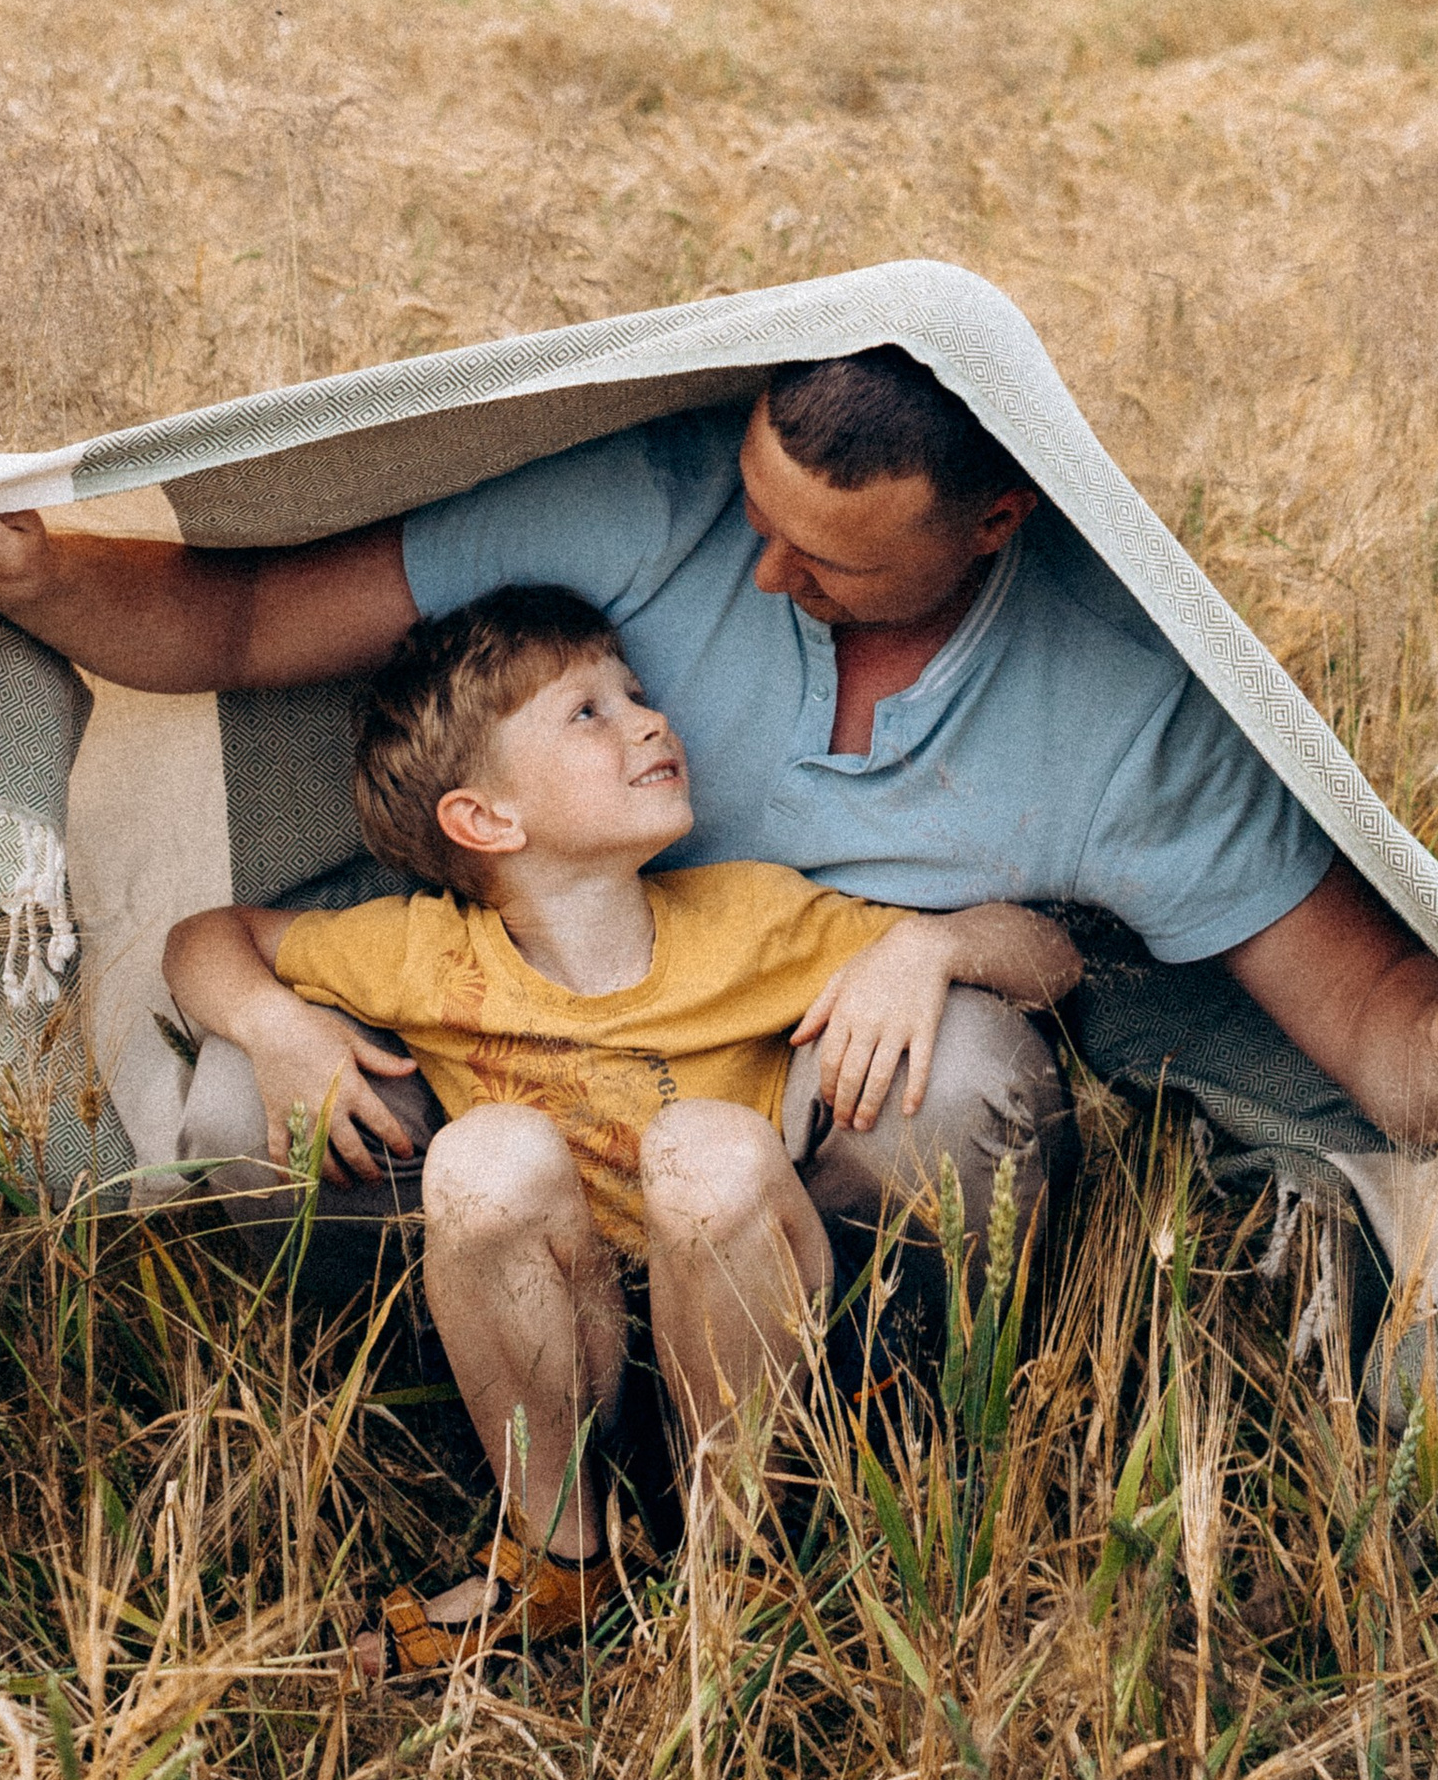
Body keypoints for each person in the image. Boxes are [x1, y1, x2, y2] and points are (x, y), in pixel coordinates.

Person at [0, 345, 1438, 1263]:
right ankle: (492, 1424)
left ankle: (827, 1438)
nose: (756, 569)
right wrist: (35, 570)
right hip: (525, 1098)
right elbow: (236, 626)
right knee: (242, 1098)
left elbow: (1365, 1016)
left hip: (800, 1141)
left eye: (830, 558)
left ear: (1000, 517)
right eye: (754, 502)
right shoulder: (641, 506)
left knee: (964, 1078)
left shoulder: (1121, 711)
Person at [162, 581, 1079, 1668]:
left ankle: (736, 1566)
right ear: (483, 819)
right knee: (482, 1157)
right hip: (555, 1361)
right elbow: (204, 939)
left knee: (708, 1149)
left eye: (636, 694)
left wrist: (929, 948)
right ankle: (562, 1559)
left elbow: (1048, 959)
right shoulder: (422, 950)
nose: (649, 719)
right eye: (588, 712)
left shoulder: (751, 916)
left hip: (749, 1351)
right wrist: (272, 1026)